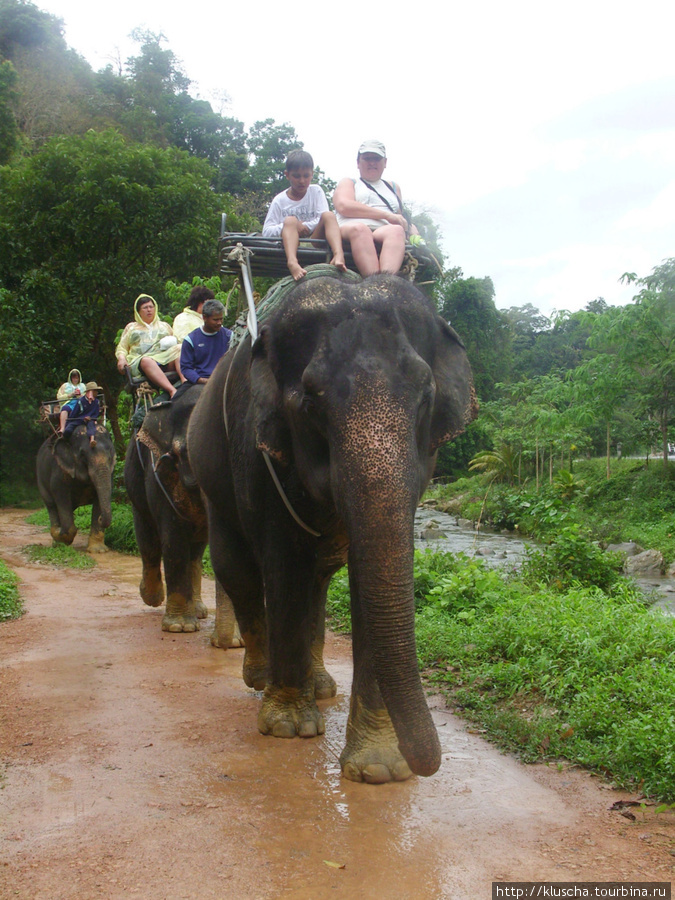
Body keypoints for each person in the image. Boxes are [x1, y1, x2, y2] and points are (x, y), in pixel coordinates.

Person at [333, 140, 416, 277]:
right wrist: (385, 215)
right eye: (367, 159)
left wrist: (410, 228)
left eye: (376, 159)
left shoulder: (393, 187)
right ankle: (374, 283)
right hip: (352, 227)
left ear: (385, 162)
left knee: (396, 230)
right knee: (361, 229)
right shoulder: (349, 182)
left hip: (384, 229)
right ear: (358, 162)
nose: (372, 163)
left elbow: (399, 217)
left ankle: (385, 283)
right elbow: (343, 206)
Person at [263, 149, 347, 281]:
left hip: (315, 240)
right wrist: (292, 226)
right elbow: (266, 232)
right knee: (290, 220)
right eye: (296, 176)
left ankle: (338, 254)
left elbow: (322, 216)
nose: (302, 181)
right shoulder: (279, 200)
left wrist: (304, 226)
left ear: (312, 174)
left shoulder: (316, 191)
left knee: (329, 215)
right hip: (290, 244)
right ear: (287, 175)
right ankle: (292, 262)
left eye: (306, 176)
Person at [116, 294, 183, 399]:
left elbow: (176, 341)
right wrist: (121, 359)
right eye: (145, 308)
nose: (149, 310)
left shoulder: (164, 326)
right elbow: (122, 347)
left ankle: (185, 383)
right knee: (146, 360)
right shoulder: (131, 327)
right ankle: (172, 390)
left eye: (151, 307)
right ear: (138, 311)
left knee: (179, 349)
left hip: (164, 359)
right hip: (142, 362)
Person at [176, 299, 232, 395]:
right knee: (175, 403)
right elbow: (186, 368)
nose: (219, 323)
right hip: (200, 381)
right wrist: (201, 380)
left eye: (221, 319)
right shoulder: (191, 340)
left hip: (226, 380)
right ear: (204, 317)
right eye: (215, 320)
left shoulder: (230, 336)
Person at [59, 381, 101, 446]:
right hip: (79, 420)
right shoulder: (81, 401)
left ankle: (92, 440)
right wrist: (70, 422)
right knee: (68, 430)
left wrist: (91, 418)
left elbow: (96, 414)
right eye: (95, 391)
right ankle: (65, 440)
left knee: (91, 426)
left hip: (90, 420)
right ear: (90, 392)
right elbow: (74, 414)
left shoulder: (96, 402)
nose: (97, 392)